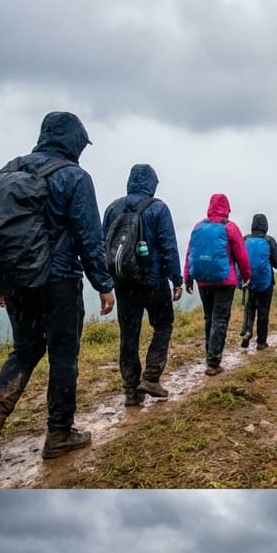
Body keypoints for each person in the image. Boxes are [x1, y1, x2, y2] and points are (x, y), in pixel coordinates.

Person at [0, 111, 115, 464]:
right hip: (58, 281)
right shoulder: (75, 177)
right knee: (64, 356)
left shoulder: (11, 170)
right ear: (75, 142)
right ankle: (59, 434)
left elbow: (2, 233)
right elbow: (89, 238)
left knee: (25, 350)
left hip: (17, 281)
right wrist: (104, 284)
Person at [102, 164, 183, 406]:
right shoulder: (158, 208)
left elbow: (102, 245)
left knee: (129, 334)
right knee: (163, 325)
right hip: (153, 280)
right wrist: (176, 280)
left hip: (123, 281)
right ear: (152, 184)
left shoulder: (112, 208)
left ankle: (130, 390)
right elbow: (168, 246)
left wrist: (105, 282)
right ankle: (151, 377)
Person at [184, 194, 251, 375]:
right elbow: (242, 256)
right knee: (220, 319)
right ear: (227, 209)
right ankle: (213, 361)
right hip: (224, 281)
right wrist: (246, 276)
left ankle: (210, 354)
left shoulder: (199, 227)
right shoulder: (230, 227)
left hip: (203, 280)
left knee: (209, 317)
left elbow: (190, 253)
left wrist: (187, 277)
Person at [240, 213, 277, 349]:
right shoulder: (269, 240)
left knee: (250, 307)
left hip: (249, 280)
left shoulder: (245, 239)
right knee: (263, 310)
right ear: (266, 226)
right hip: (265, 281)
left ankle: (247, 330)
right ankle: (261, 342)